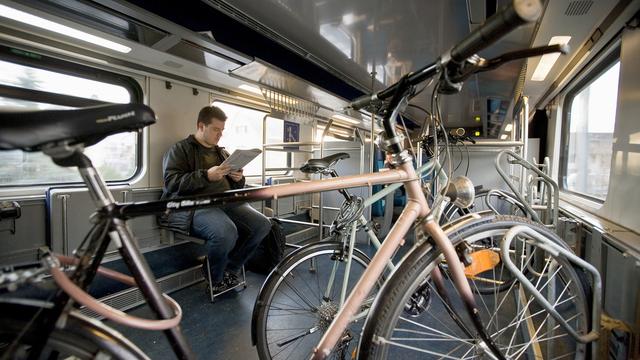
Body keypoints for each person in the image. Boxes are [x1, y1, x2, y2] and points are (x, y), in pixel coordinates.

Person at [160, 105, 271, 296]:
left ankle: (230, 269)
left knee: (262, 224)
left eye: (222, 130)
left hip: (226, 203)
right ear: (201, 126)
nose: (219, 135)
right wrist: (206, 176)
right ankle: (215, 276)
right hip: (194, 206)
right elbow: (172, 184)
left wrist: (239, 179)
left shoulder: (222, 153)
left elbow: (235, 187)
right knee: (226, 231)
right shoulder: (180, 150)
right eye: (215, 129)